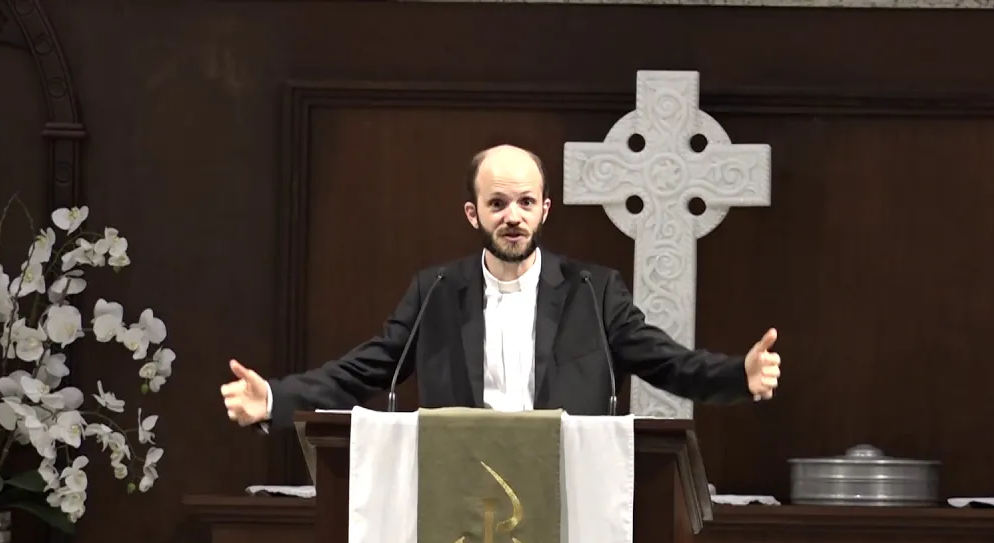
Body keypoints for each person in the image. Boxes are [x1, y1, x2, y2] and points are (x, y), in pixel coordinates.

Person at [222, 144, 781, 429]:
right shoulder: (436, 292)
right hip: (460, 491)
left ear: (544, 210)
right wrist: (273, 398)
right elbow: (365, 369)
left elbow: (666, 362)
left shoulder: (593, 291)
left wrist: (739, 375)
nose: (513, 216)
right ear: (474, 213)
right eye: (497, 203)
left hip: (569, 492)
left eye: (525, 202)